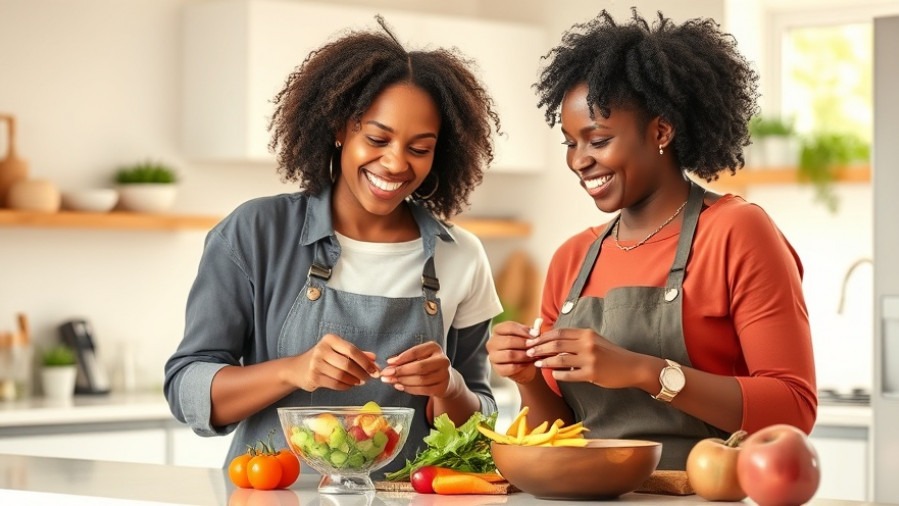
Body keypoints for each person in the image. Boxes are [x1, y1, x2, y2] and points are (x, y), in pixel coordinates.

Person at [164, 17, 503, 474]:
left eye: (419, 148)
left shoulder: (461, 255)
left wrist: (449, 388)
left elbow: (478, 424)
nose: (396, 163)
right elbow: (187, 389)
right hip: (274, 498)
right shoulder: (255, 233)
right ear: (342, 128)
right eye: (377, 138)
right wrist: (292, 370)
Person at [487, 8, 816, 470]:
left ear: (661, 131)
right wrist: (527, 379)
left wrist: (645, 371)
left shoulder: (736, 231)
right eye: (570, 143)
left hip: (700, 497)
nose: (579, 160)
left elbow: (794, 407)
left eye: (597, 140)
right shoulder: (572, 259)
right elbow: (559, 433)